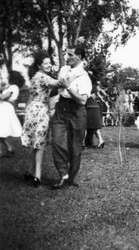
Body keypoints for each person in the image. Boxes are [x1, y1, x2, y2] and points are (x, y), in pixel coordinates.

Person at [52, 46, 92, 189]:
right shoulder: (63, 69)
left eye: (70, 54)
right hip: (61, 107)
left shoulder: (84, 77)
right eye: (66, 54)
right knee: (57, 141)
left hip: (77, 110)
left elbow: (82, 100)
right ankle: (63, 174)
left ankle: (71, 176)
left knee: (75, 147)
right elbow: (57, 87)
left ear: (79, 56)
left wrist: (68, 86)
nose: (67, 57)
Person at [21, 52, 59, 186]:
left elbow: (31, 97)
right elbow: (58, 83)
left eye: (50, 63)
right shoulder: (43, 76)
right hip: (40, 110)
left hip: (32, 109)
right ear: (39, 65)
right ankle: (37, 176)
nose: (49, 65)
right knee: (40, 144)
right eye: (46, 63)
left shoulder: (34, 77)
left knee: (36, 143)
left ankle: (30, 171)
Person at [0, 71, 25, 157]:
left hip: (6, 108)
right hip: (2, 107)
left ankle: (6, 148)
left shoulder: (14, 87)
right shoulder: (9, 87)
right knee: (1, 131)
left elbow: (3, 97)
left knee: (1, 130)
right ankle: (8, 148)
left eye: (8, 77)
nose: (7, 78)